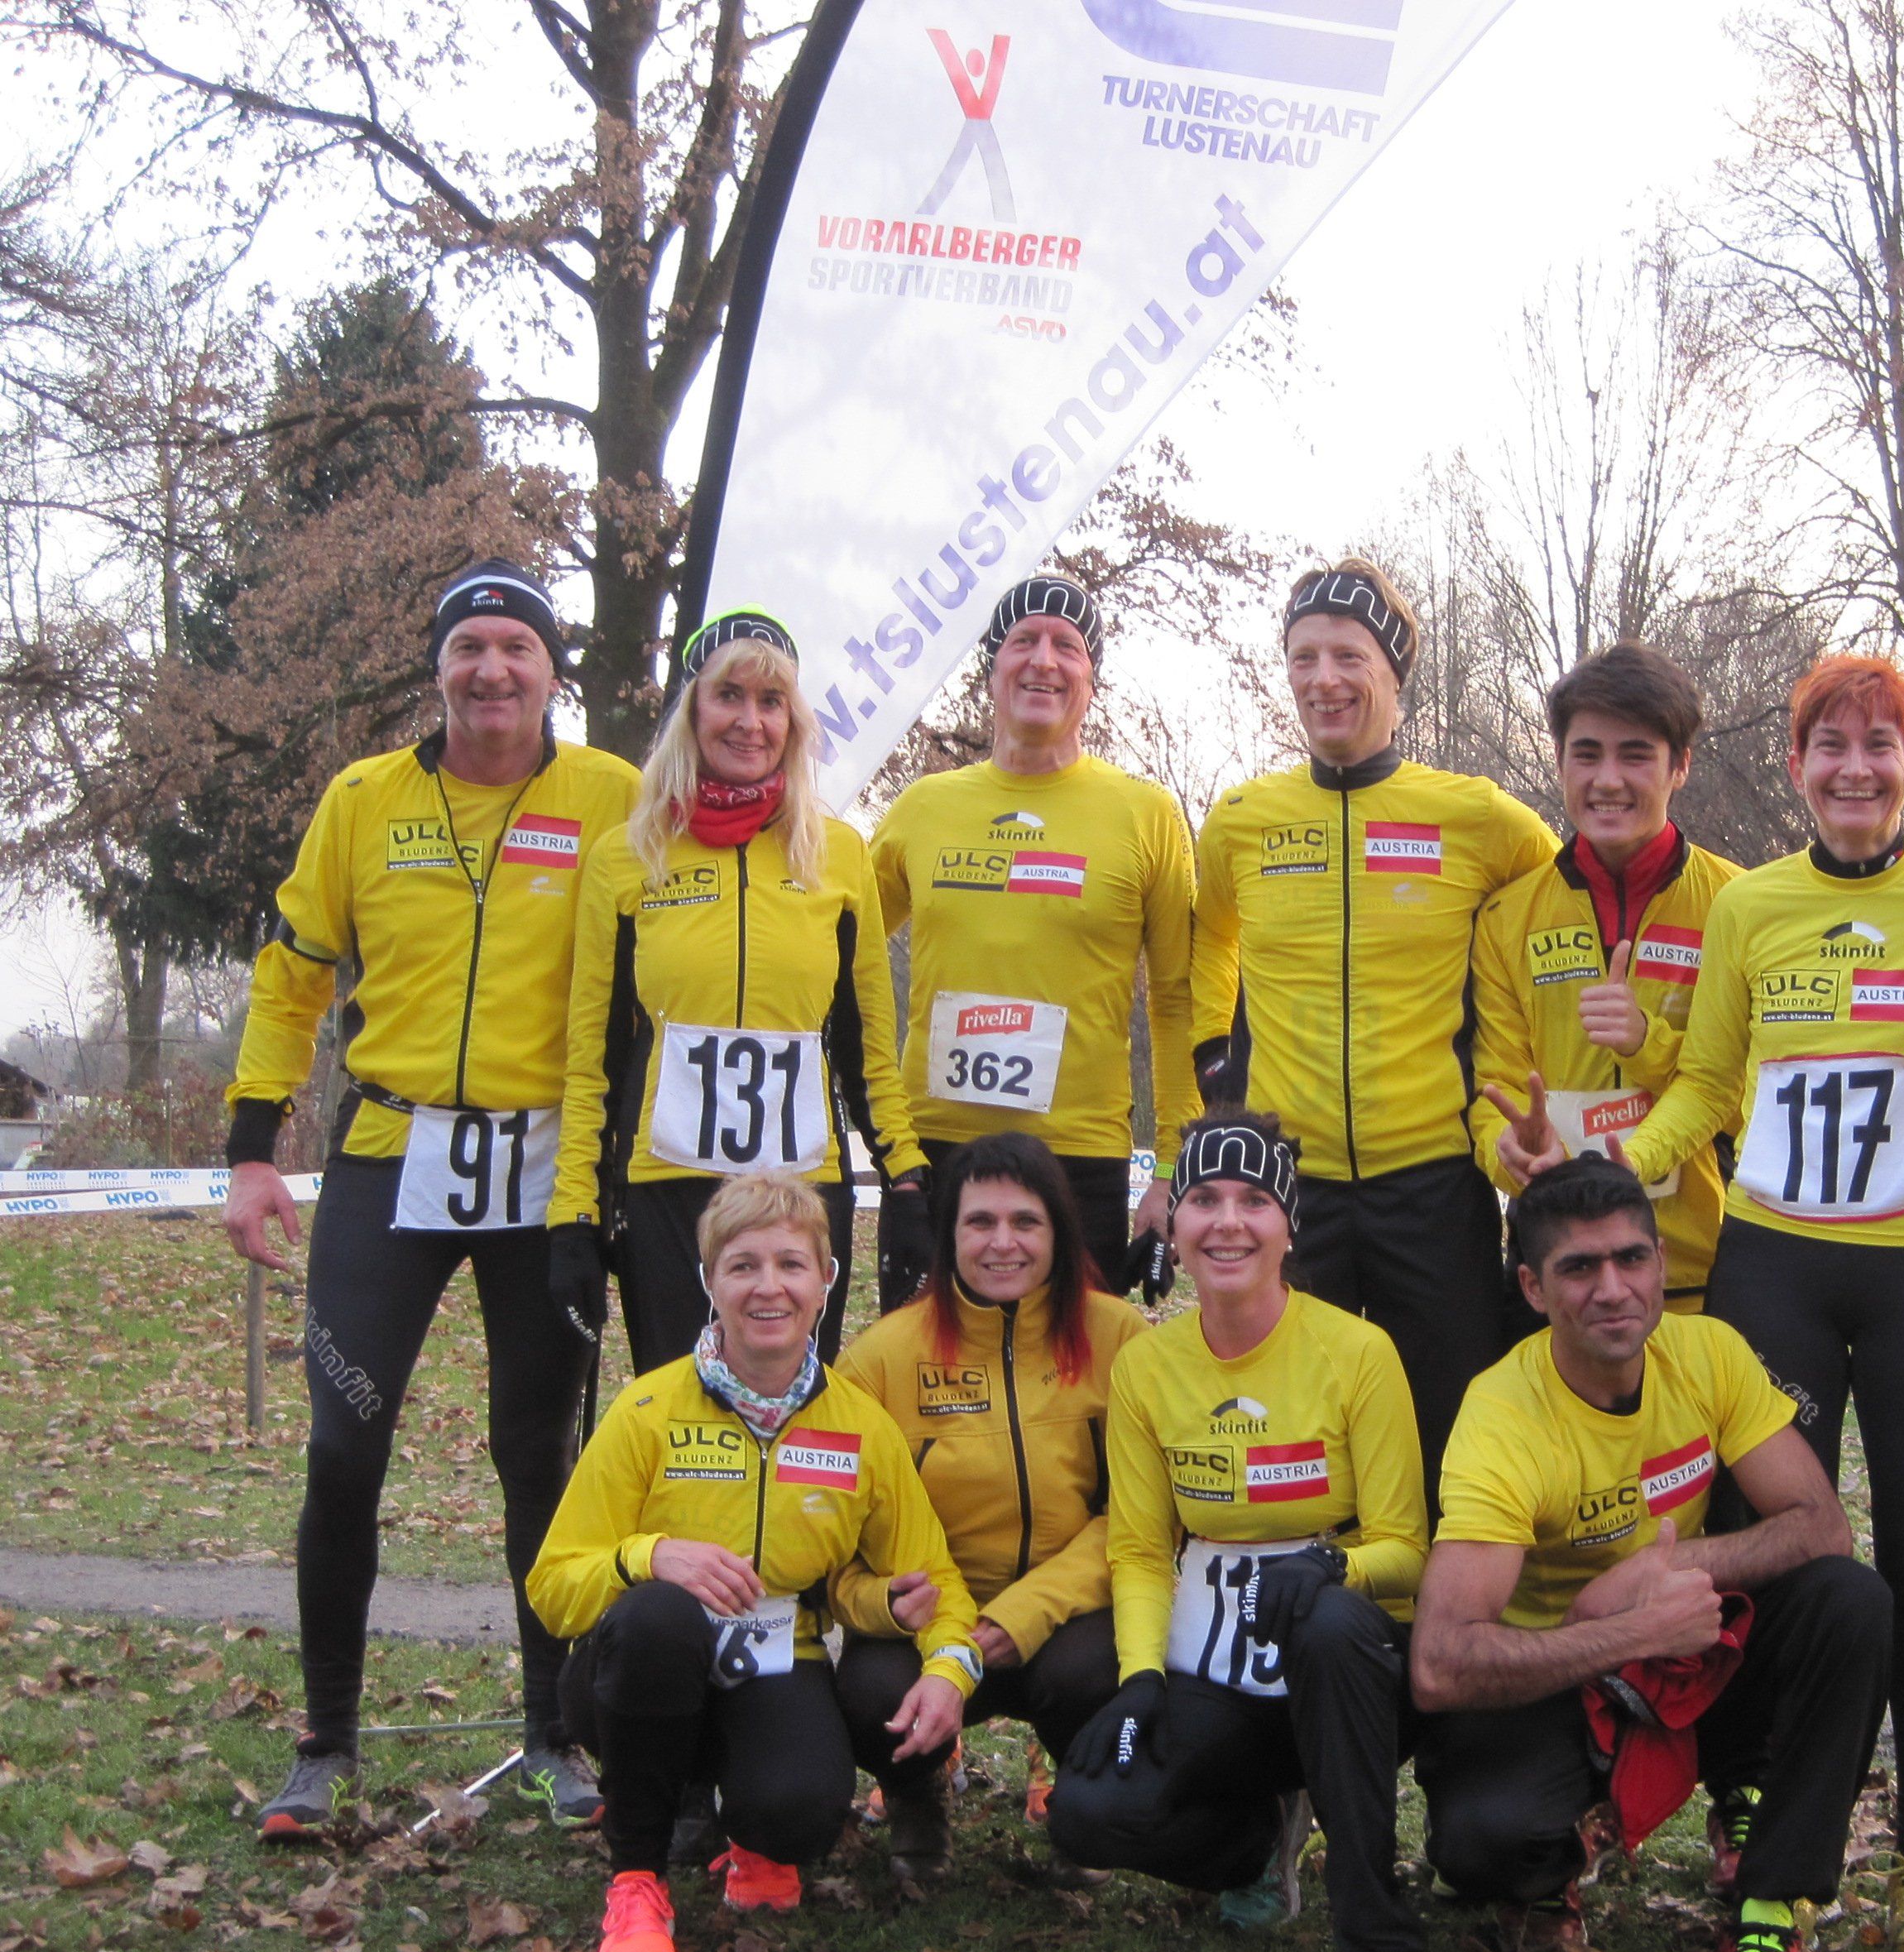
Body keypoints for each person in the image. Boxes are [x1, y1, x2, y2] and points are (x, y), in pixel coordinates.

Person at [1615, 653, 1904, 1952]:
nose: (1856, 768)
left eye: (1880, 745)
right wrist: (1612, 1170)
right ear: (1796, 768)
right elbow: (1705, 1086)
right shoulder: (1754, 907)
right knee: (1764, 1550)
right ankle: (1754, 1811)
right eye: (1831, 746)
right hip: (1776, 1270)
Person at [223, 559, 640, 1839]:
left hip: (545, 1170)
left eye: (518, 648)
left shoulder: (613, 797)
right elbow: (294, 972)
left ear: (553, 672)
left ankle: (556, 1734)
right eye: (471, 648)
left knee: (539, 1458)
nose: (492, 669)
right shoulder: (365, 800)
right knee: (343, 1445)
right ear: (440, 669)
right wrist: (250, 1147)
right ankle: (326, 1742)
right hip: (390, 1155)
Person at [1412, 1158, 1891, 1952]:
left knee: (1848, 1604)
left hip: (1689, 1654)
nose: (1612, 1289)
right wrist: (1624, 1624)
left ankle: (1766, 1911)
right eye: (1578, 1268)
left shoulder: (1707, 1353)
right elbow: (1440, 1663)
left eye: (1631, 1259)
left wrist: (1662, 1575)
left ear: (1662, 1264)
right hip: (1558, 1684)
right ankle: (1559, 1857)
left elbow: (1820, 1526)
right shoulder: (1503, 1411)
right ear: (1531, 1287)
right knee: (1482, 1846)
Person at [527, 1173, 981, 1952]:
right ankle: (637, 1883)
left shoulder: (861, 1428)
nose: (768, 1287)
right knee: (660, 1618)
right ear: (709, 1281)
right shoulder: (647, 1411)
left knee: (801, 1815)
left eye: (790, 1265)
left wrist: (948, 1665)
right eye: (742, 1266)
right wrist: (649, 1558)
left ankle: (752, 1831)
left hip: (774, 1660)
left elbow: (934, 1578)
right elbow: (553, 1587)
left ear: (825, 1282)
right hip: (635, 1671)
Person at [1046, 1110, 1428, 1952]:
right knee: (1086, 1814)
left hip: (1345, 1663)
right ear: (1172, 1222)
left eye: (1254, 1201)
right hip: (1217, 1666)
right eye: (1205, 1200)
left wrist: (1331, 1565)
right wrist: (1141, 1680)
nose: (1227, 1222)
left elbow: (1408, 1548)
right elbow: (1141, 1549)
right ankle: (1256, 1846)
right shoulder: (1148, 1366)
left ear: (1289, 1226)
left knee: (1331, 1630)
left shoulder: (1358, 1353)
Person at [1192, 559, 1558, 1508]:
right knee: (1295, 1436)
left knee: (1448, 1435)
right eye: (1302, 657)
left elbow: (1566, 908)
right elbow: (1207, 947)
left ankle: (1442, 1596)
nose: (1323, 679)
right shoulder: (1240, 821)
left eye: (1348, 657)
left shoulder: (1475, 815)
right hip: (1289, 1186)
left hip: (1432, 1183)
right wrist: (1213, 1071)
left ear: (1395, 677)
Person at [554, 608, 923, 1372]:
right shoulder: (625, 857)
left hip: (803, 1190)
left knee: (790, 1405)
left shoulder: (840, 855)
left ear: (794, 723)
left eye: (771, 701)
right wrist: (575, 1214)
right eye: (729, 695)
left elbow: (865, 1049)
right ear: (692, 711)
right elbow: (592, 1057)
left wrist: (907, 1180)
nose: (750, 722)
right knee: (680, 1409)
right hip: (666, 1188)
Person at [832, 1131, 1141, 1879]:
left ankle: (1081, 1802)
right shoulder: (879, 1359)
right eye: (980, 1222)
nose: (1004, 1243)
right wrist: (883, 1603)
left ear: (1059, 1232)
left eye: (1025, 1221)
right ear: (949, 1235)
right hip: (932, 1620)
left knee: (1101, 1670)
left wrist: (1019, 1616)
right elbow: (833, 1546)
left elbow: (1142, 1518)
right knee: (871, 1691)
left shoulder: (1121, 1338)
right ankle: (916, 1796)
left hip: (1067, 1615)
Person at [870, 574, 1195, 1284]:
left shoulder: (1146, 814)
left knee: (1073, 1362)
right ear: (991, 671)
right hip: (933, 1151)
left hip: (1080, 1156)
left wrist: (1172, 1170)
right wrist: (883, 1125)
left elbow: (1176, 1001)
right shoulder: (923, 808)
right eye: (1023, 641)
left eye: (1067, 646)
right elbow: (841, 957)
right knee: (927, 1360)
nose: (1043, 660)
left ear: (1091, 679)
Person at [1471, 641, 1742, 1307]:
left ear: (1680, 765)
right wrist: (1505, 1149)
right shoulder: (1507, 916)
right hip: (1557, 1262)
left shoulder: (1740, 905)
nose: (1608, 780)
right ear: (1560, 760)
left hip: (1701, 1266)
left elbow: (1753, 1096)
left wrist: (1648, 1044)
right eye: (1587, 754)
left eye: (1636, 755)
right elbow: (1492, 1086)